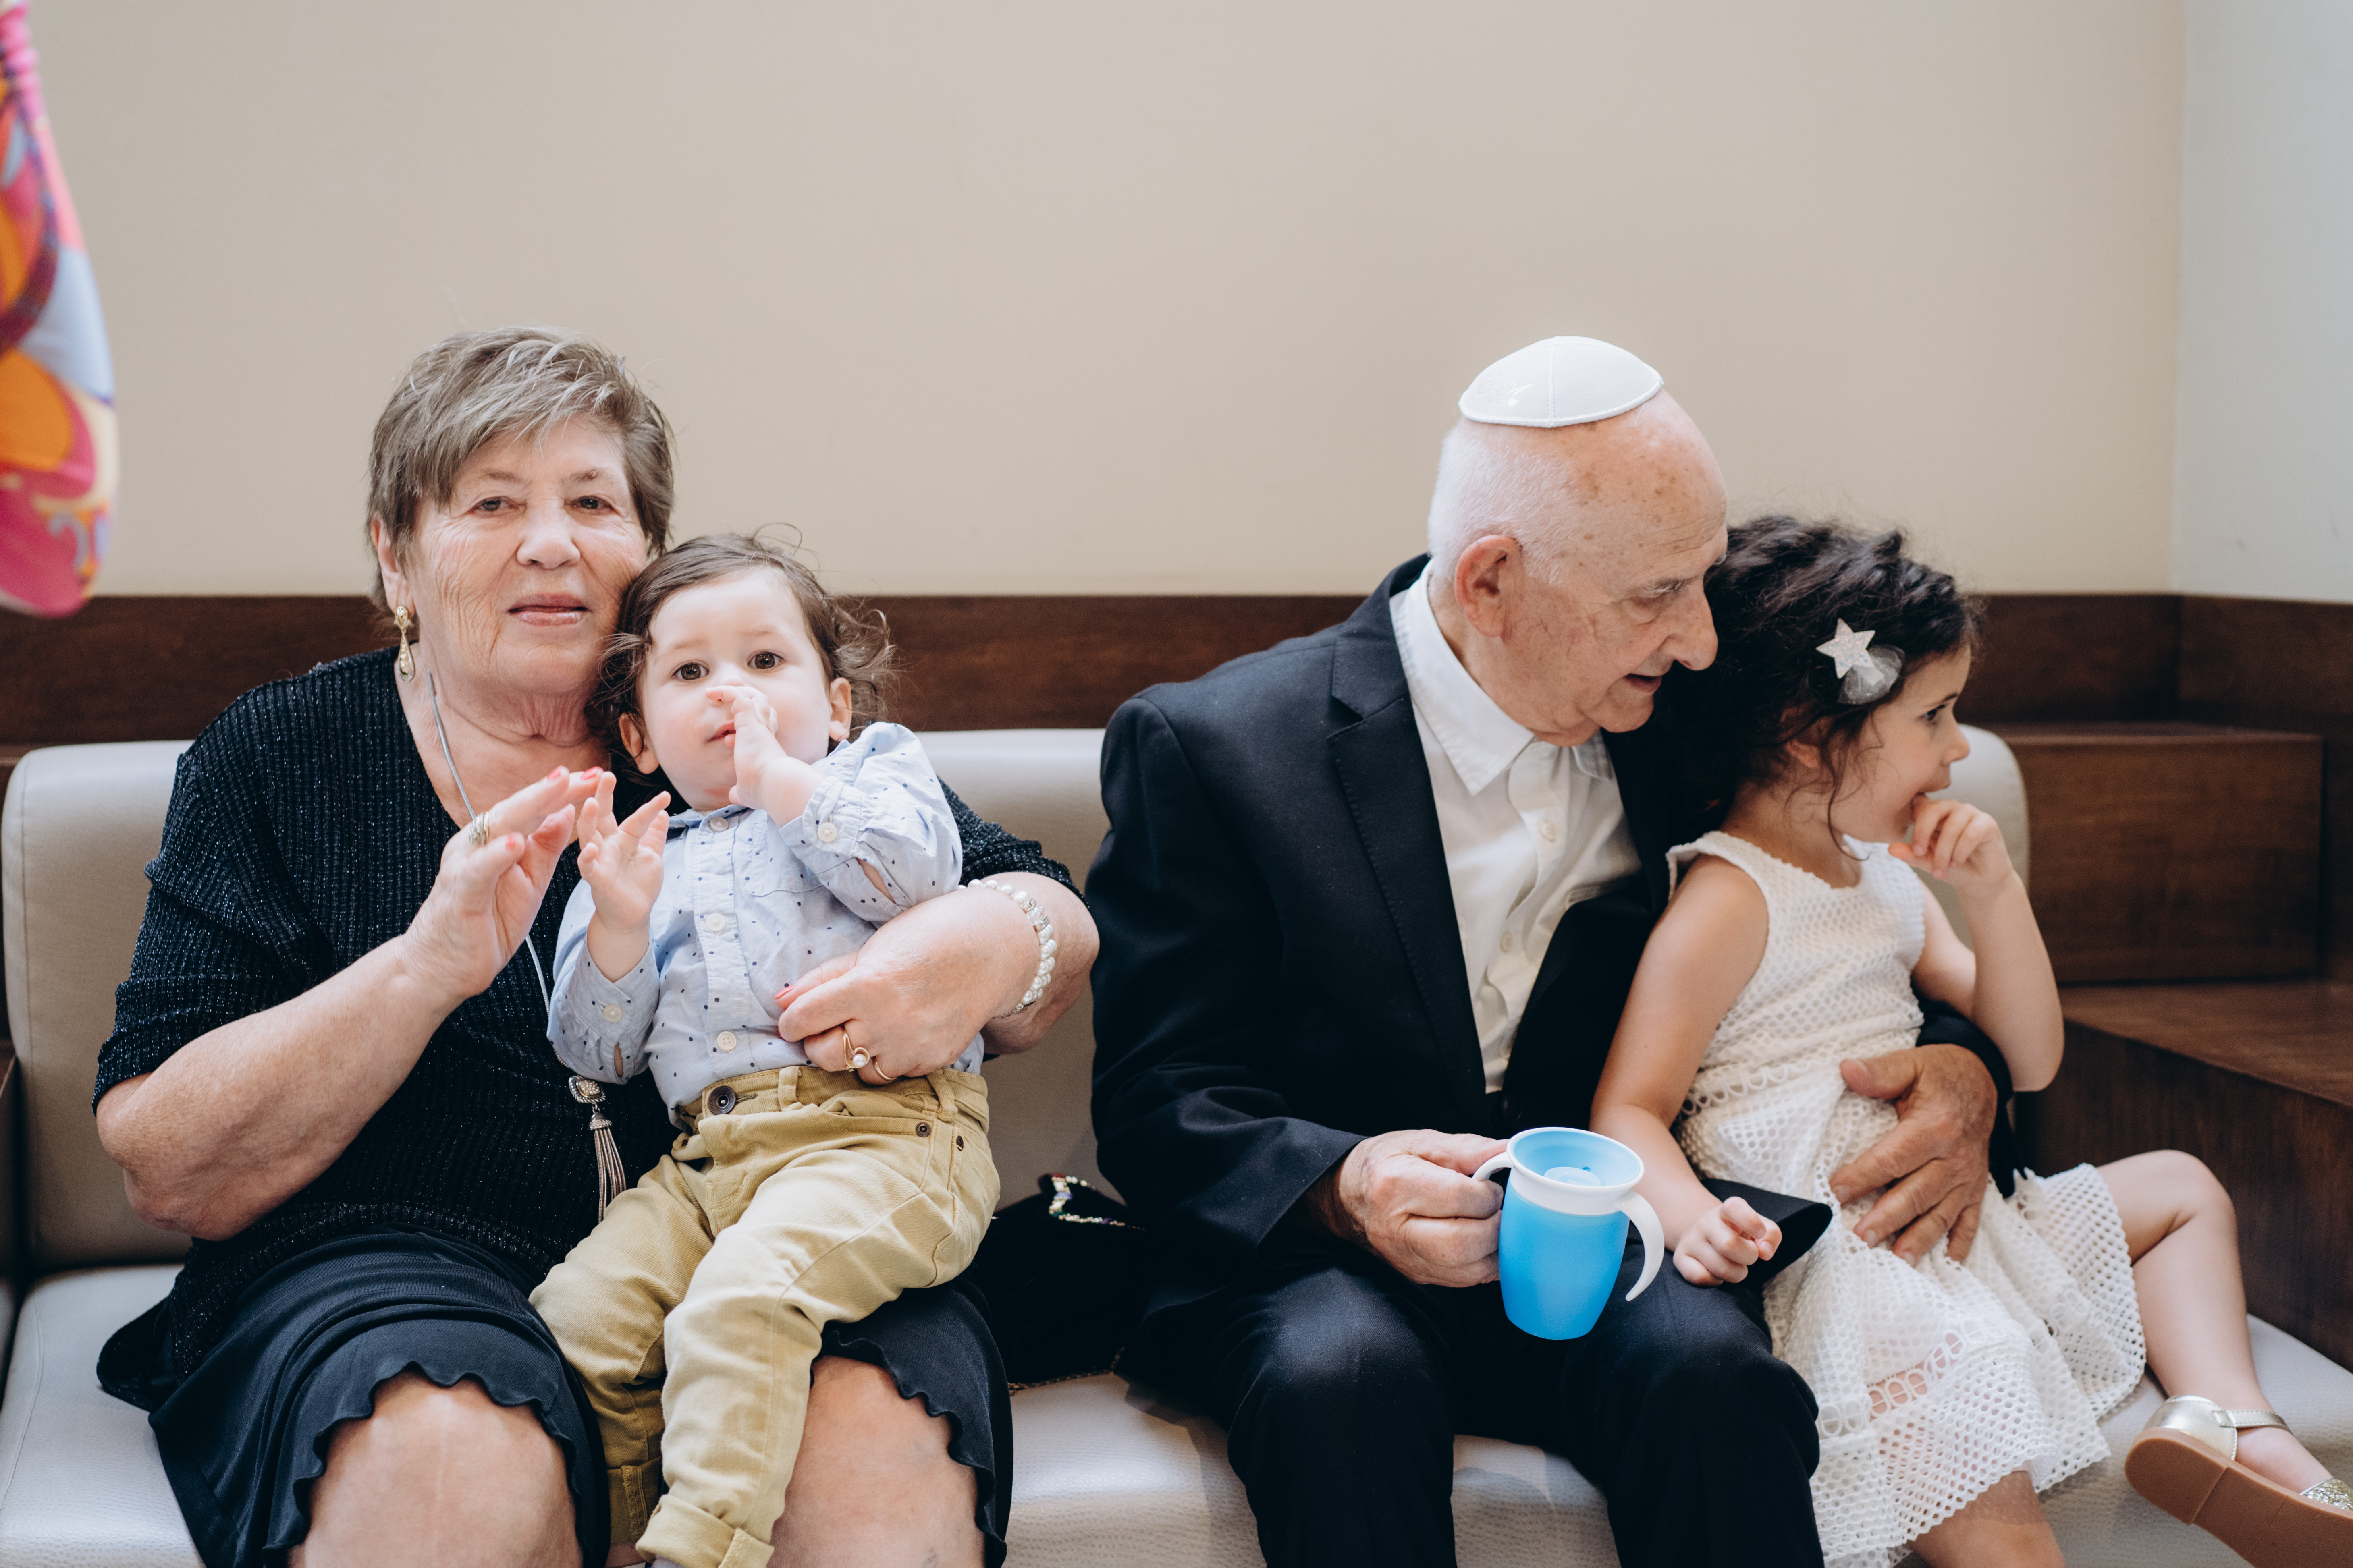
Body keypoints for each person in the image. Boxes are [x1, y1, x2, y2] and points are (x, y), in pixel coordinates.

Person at [90, 329, 1096, 1568]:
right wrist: (419, 971)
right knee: (450, 1450)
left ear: (647, 550)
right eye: (491, 503)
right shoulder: (280, 755)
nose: (551, 542)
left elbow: (1037, 908)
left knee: (863, 1434)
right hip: (392, 1260)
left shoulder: (731, 719)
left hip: (793, 1212)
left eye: (591, 503)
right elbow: (167, 1165)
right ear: (396, 557)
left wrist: (980, 947)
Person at [1088, 336, 2022, 1568]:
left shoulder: (1687, 722)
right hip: (1315, 1262)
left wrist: (1963, 1068)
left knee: (1717, 1381)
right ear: (1490, 581)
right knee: (1346, 1380)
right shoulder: (1217, 747)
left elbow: (1845, 906)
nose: (1700, 640)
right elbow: (1160, 1096)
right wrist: (1346, 1184)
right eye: (1655, 595)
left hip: (1609, 1227)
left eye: (1702, 582)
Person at [1590, 517, 2352, 1568]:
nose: (1959, 748)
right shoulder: (1727, 896)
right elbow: (1628, 1106)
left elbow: (2028, 1058)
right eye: (1935, 715)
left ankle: (2233, 1428)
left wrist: (1994, 893)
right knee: (1988, 1466)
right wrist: (1695, 1220)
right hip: (1851, 1256)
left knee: (2182, 1188)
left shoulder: (1883, 874)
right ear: (1811, 733)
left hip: (1949, 1219)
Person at [532, 534, 1011, 1568]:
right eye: (689, 673)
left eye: (763, 661)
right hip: (708, 1161)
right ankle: (632, 1536)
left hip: (885, 1139)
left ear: (836, 705)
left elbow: (918, 878)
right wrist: (618, 923)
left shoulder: (871, 771)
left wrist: (784, 781)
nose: (730, 691)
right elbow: (597, 1055)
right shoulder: (637, 856)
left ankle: (705, 1551)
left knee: (740, 1303)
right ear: (639, 736)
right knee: (575, 1320)